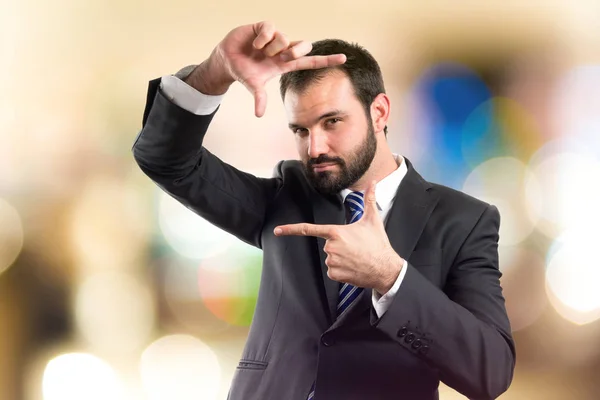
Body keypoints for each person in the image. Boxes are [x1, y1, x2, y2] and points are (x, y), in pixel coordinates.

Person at [132, 21, 515, 400]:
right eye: (300, 130)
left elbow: (491, 372)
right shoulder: (286, 197)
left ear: (379, 113)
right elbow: (167, 161)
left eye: (332, 122)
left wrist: (390, 277)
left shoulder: (463, 221)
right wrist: (214, 72)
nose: (315, 148)